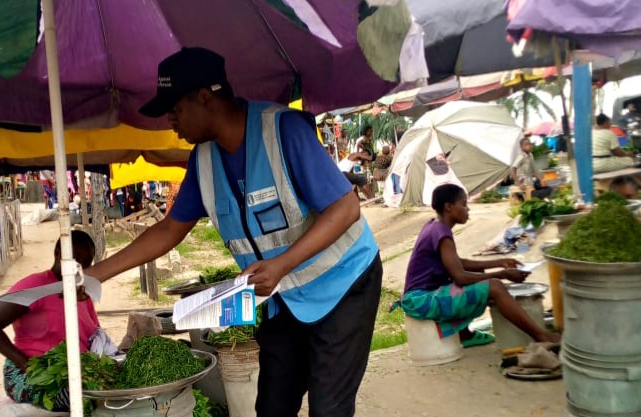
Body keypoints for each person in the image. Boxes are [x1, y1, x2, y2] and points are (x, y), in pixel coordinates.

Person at [86, 47, 383, 417]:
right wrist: (94, 275)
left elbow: (346, 208)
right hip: (284, 298)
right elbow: (168, 230)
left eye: (175, 110)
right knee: (273, 406)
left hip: (344, 285)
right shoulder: (204, 160)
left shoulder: (283, 130)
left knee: (329, 407)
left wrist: (281, 265)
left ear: (204, 98)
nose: (170, 123)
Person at [399, 184, 560, 348]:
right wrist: (503, 274)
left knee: (478, 272)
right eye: (463, 204)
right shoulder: (442, 233)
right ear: (448, 207)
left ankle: (465, 334)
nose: (468, 209)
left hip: (419, 297)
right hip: (422, 301)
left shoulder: (434, 226)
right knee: (495, 287)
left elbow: (457, 263)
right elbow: (460, 277)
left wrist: (499, 263)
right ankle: (540, 335)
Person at [0, 230, 99, 412]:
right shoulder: (36, 286)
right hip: (29, 373)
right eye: (75, 258)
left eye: (86, 262)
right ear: (58, 253)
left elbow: (94, 335)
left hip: (72, 372)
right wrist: (26, 365)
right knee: (78, 399)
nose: (80, 265)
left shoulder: (82, 292)